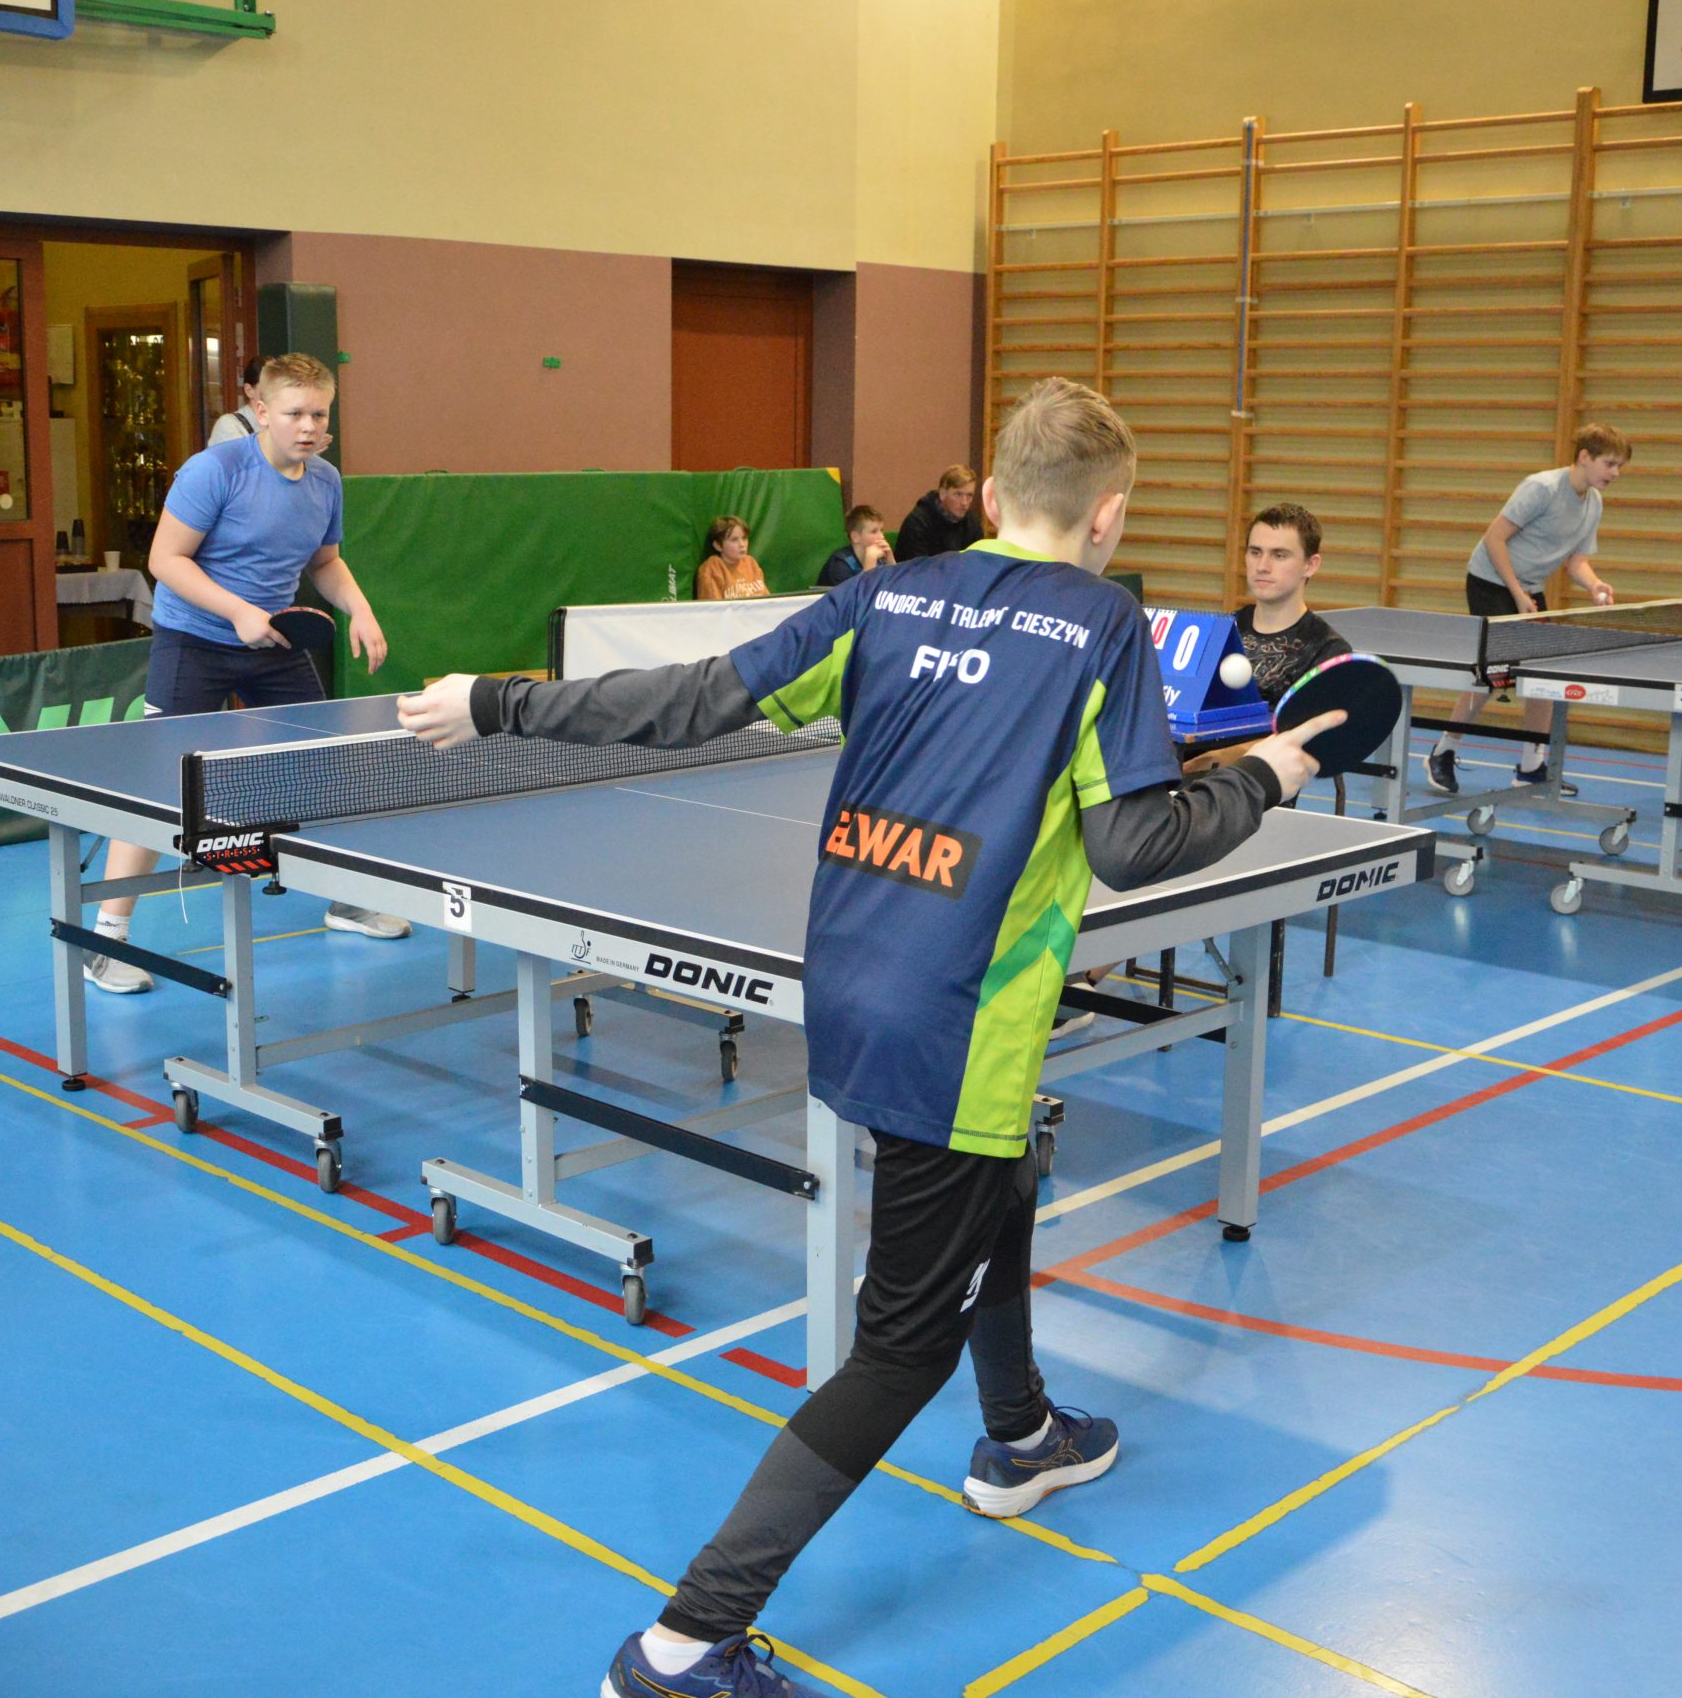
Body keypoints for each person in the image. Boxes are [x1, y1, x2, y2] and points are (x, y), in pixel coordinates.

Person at [397, 377, 1336, 1698]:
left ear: (992, 493)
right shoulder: (1103, 626)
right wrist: (1264, 776)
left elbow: (694, 698)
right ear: (1109, 515)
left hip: (845, 981)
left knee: (1002, 1181)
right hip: (958, 1023)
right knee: (900, 1344)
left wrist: (498, 701)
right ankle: (682, 1645)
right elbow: (1133, 843)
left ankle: (1021, 1436)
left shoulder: (885, 597)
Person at [82, 351, 405, 995]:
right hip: (196, 640)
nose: (309, 426)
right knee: (160, 785)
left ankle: (346, 899)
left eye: (320, 415)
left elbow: (324, 561)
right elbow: (165, 560)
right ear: (260, 410)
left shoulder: (326, 481)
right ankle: (106, 940)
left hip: (273, 639)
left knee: (325, 762)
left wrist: (362, 609)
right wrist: (236, 612)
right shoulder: (215, 470)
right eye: (295, 413)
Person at [1426, 423, 1628, 799]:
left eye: (1620, 466)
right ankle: (1443, 751)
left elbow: (1576, 561)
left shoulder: (1593, 503)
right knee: (1494, 676)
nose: (1615, 473)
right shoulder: (1542, 488)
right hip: (1490, 582)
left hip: (1528, 589)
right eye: (1610, 463)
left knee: (1543, 674)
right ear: (1585, 457)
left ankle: (1532, 766)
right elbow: (1494, 538)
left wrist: (1594, 584)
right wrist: (1517, 591)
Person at [1179, 503, 1353, 776]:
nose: (1262, 566)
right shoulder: (1218, 631)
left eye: (1279, 555)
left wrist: (1222, 758)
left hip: (1260, 784)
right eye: (1255, 552)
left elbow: (1299, 741)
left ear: (1310, 565)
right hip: (1185, 776)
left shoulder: (1328, 651)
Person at [895, 465, 983, 561]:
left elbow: (980, 561)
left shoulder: (972, 522)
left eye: (969, 495)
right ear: (943, 494)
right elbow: (918, 568)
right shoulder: (917, 523)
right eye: (958, 494)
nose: (964, 503)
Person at [696, 515, 772, 600]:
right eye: (734, 540)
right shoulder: (712, 568)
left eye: (744, 538)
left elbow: (767, 600)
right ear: (718, 546)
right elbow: (712, 605)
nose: (742, 544)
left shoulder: (751, 563)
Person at [817, 504, 894, 588]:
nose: (882, 537)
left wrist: (891, 562)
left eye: (881, 530)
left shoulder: (879, 560)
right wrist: (870, 561)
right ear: (855, 537)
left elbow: (897, 589)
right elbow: (861, 594)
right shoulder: (839, 565)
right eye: (874, 532)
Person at [205, 355, 270, 446]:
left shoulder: (281, 423)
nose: (278, 392)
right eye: (269, 385)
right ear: (249, 391)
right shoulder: (229, 425)